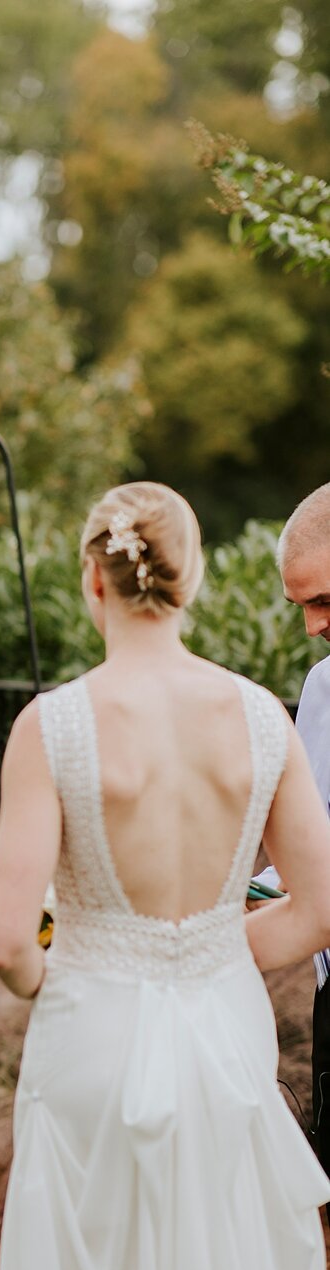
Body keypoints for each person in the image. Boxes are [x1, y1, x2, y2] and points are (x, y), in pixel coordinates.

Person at [0, 480, 330, 1270]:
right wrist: (206, 957)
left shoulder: (52, 727)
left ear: (90, 577)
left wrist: (89, 971)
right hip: (220, 1030)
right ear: (193, 580)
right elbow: (316, 908)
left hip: (92, 1031)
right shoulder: (260, 719)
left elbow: (8, 939)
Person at [261, 482, 330, 1221]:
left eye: (326, 602)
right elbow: (311, 840)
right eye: (302, 606)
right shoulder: (323, 686)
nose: (313, 627)